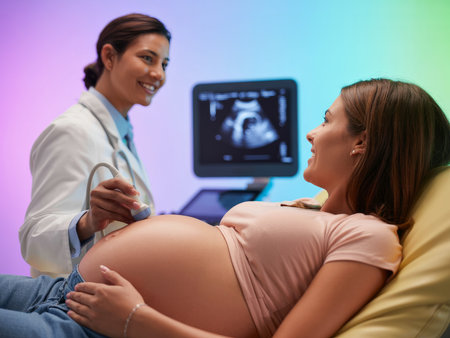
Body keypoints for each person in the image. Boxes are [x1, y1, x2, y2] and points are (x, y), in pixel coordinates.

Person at [1, 79, 449, 338]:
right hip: (62, 290)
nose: (312, 134)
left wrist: (136, 320)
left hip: (94, 329)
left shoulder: (369, 236)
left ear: (363, 142)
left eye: (327, 119)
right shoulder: (310, 210)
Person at [19, 13, 171, 277]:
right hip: (72, 307)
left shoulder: (118, 130)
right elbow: (33, 239)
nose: (158, 73)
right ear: (109, 57)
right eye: (147, 58)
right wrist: (87, 222)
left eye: (165, 64)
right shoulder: (72, 131)